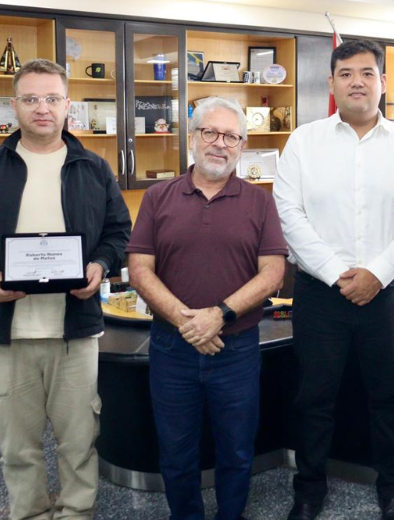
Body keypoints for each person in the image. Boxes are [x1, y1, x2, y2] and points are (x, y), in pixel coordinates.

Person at [0, 58, 131, 520]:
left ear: (68, 104)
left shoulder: (94, 168)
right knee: (17, 447)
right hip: (9, 333)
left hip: (75, 330)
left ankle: (76, 513)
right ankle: (28, 513)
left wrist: (100, 264)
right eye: (31, 99)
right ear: (14, 106)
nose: (42, 108)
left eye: (52, 98)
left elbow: (119, 233)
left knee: (79, 443)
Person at [274, 39, 394, 520]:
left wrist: (378, 274)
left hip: (385, 296)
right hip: (318, 295)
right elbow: (289, 214)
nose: (357, 82)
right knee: (314, 397)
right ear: (331, 83)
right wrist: (335, 274)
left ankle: (392, 490)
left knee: (388, 397)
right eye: (346, 74)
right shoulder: (304, 141)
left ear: (383, 83)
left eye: (368, 73)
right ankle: (309, 490)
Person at [127, 96, 287, 520]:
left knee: (236, 450)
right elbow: (139, 269)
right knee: (177, 452)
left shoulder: (260, 202)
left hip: (235, 349)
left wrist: (218, 315)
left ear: (242, 145)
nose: (220, 143)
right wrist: (186, 321)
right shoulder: (159, 197)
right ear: (193, 138)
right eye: (210, 133)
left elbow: (272, 273)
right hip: (172, 348)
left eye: (231, 136)